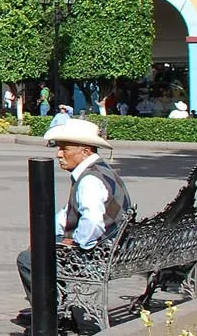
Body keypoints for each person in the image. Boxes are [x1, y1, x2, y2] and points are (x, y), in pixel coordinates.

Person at [16, 118, 134, 310]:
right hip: (113, 248)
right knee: (41, 250)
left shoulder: (89, 181)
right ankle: (57, 306)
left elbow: (93, 222)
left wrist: (77, 244)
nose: (59, 154)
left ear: (85, 151)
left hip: (98, 254)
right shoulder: (101, 170)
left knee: (27, 260)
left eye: (65, 148)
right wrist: (45, 236)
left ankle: (50, 312)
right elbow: (68, 214)